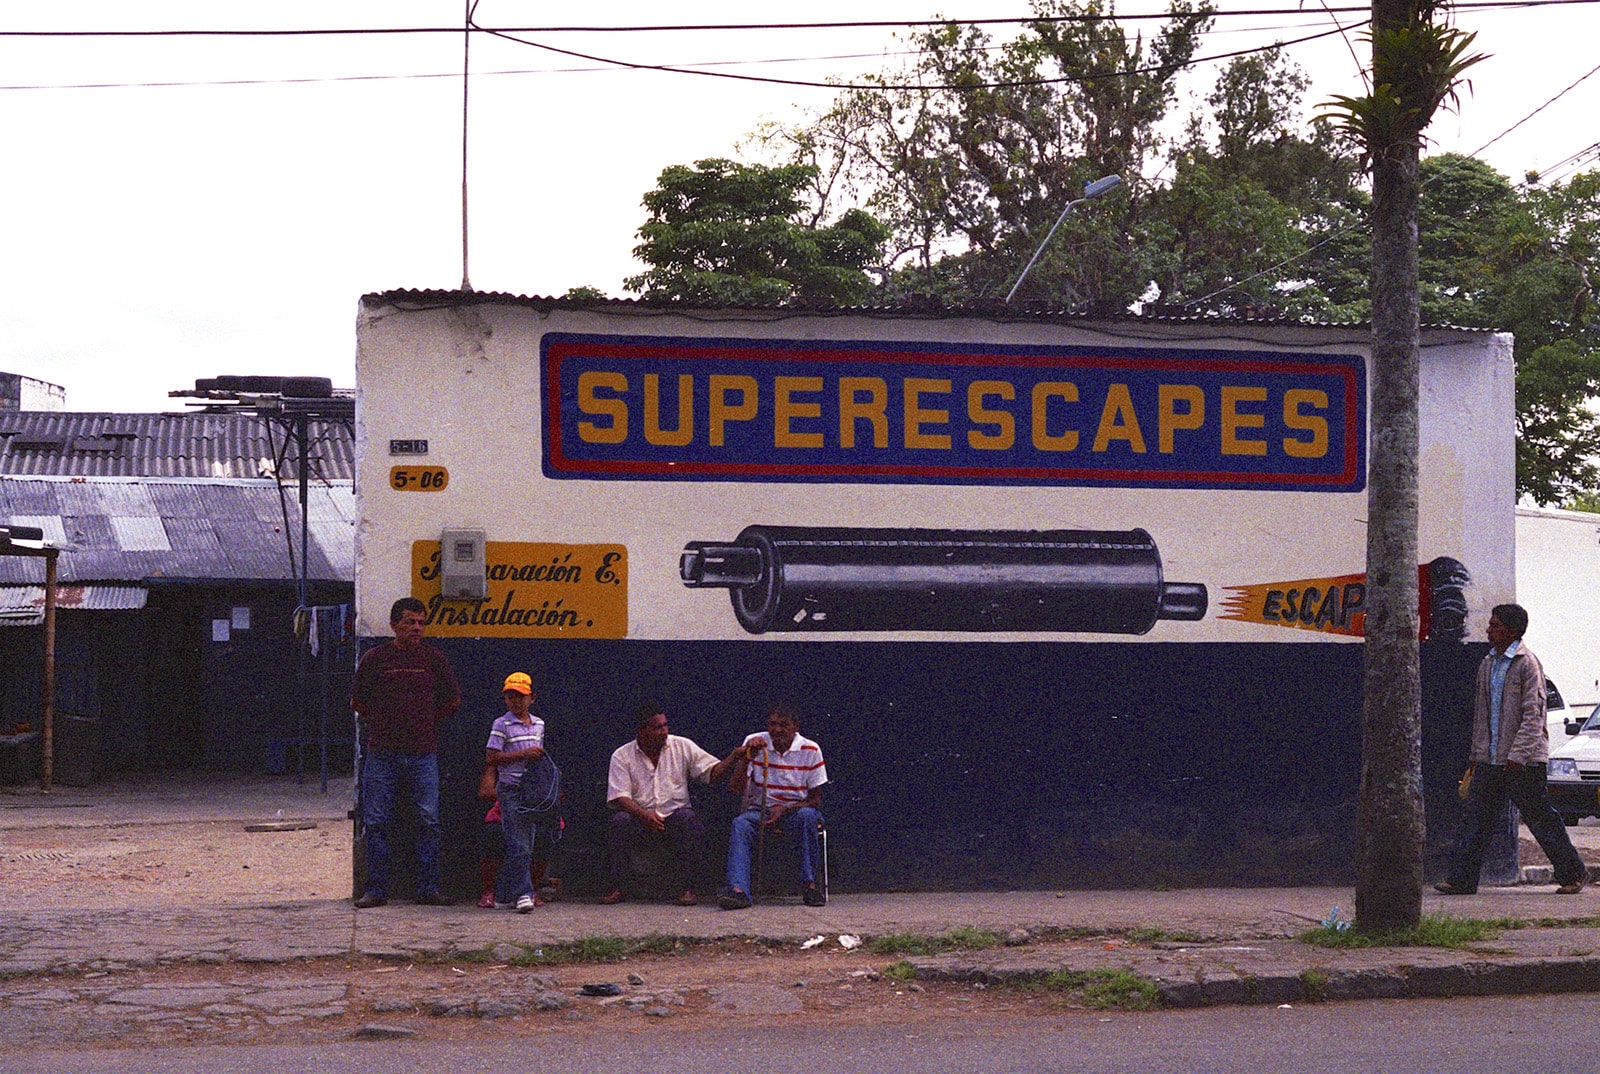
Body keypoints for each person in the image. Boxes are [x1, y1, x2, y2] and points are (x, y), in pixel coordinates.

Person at [1436, 603, 1588, 896]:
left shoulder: (1527, 664)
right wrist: (1477, 755)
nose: (1488, 630)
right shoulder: (1488, 663)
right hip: (1490, 759)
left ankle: (1573, 872)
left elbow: (1534, 715)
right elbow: (1482, 715)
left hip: (1523, 761)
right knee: (1476, 821)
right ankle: (1462, 880)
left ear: (1511, 631)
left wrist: (1518, 755)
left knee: (1540, 819)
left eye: (1494, 625)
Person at [349, 596, 461, 908]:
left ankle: (428, 889)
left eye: (421, 623)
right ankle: (376, 890)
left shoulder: (434, 659)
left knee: (428, 820)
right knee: (376, 821)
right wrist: (383, 723)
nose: (416, 628)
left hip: (423, 753)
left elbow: (453, 700)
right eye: (410, 622)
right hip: (381, 753)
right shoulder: (375, 658)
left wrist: (424, 722)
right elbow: (357, 701)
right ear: (393, 625)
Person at [604, 703, 746, 906]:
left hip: (674, 817)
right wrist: (643, 815)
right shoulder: (622, 755)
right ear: (641, 731)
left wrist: (733, 757)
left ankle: (687, 888)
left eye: (665, 725)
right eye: (657, 727)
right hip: (639, 818)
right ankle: (619, 887)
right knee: (619, 821)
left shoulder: (681, 745)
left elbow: (712, 774)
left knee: (690, 820)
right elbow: (620, 796)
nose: (664, 731)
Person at [719, 704, 828, 910]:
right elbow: (735, 788)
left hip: (795, 812)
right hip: (760, 811)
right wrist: (747, 758)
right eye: (772, 724)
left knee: (808, 816)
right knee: (740, 824)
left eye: (784, 725)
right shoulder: (755, 742)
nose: (777, 730)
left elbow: (815, 800)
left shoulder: (811, 750)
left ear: (796, 727)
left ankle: (810, 886)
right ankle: (738, 891)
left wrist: (785, 809)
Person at [484, 672, 559, 912]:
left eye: (520, 696)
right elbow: (492, 757)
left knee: (527, 842)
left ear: (532, 698)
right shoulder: (501, 724)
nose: (515, 701)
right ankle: (524, 894)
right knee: (519, 844)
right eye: (510, 696)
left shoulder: (539, 724)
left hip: (531, 791)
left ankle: (504, 894)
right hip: (510, 790)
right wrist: (522, 754)